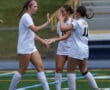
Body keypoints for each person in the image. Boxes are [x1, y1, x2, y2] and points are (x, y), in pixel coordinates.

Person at [9, 0, 50, 90]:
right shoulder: (26, 17)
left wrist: (41, 41)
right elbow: (35, 29)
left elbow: (32, 34)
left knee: (40, 67)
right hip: (24, 48)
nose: (37, 8)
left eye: (37, 6)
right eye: (35, 6)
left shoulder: (29, 17)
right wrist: (47, 23)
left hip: (31, 47)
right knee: (22, 70)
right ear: (29, 7)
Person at [59, 6, 99, 90]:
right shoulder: (84, 22)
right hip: (84, 50)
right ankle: (96, 88)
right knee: (84, 70)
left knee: (70, 71)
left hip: (76, 50)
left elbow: (62, 28)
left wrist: (61, 19)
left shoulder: (77, 23)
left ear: (78, 13)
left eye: (75, 12)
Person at [46, 4, 74, 90]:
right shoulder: (59, 23)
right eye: (60, 11)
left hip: (72, 49)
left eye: (63, 11)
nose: (61, 13)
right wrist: (48, 40)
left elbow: (67, 36)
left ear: (68, 12)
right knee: (58, 69)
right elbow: (58, 36)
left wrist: (54, 40)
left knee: (71, 71)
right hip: (61, 49)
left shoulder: (72, 22)